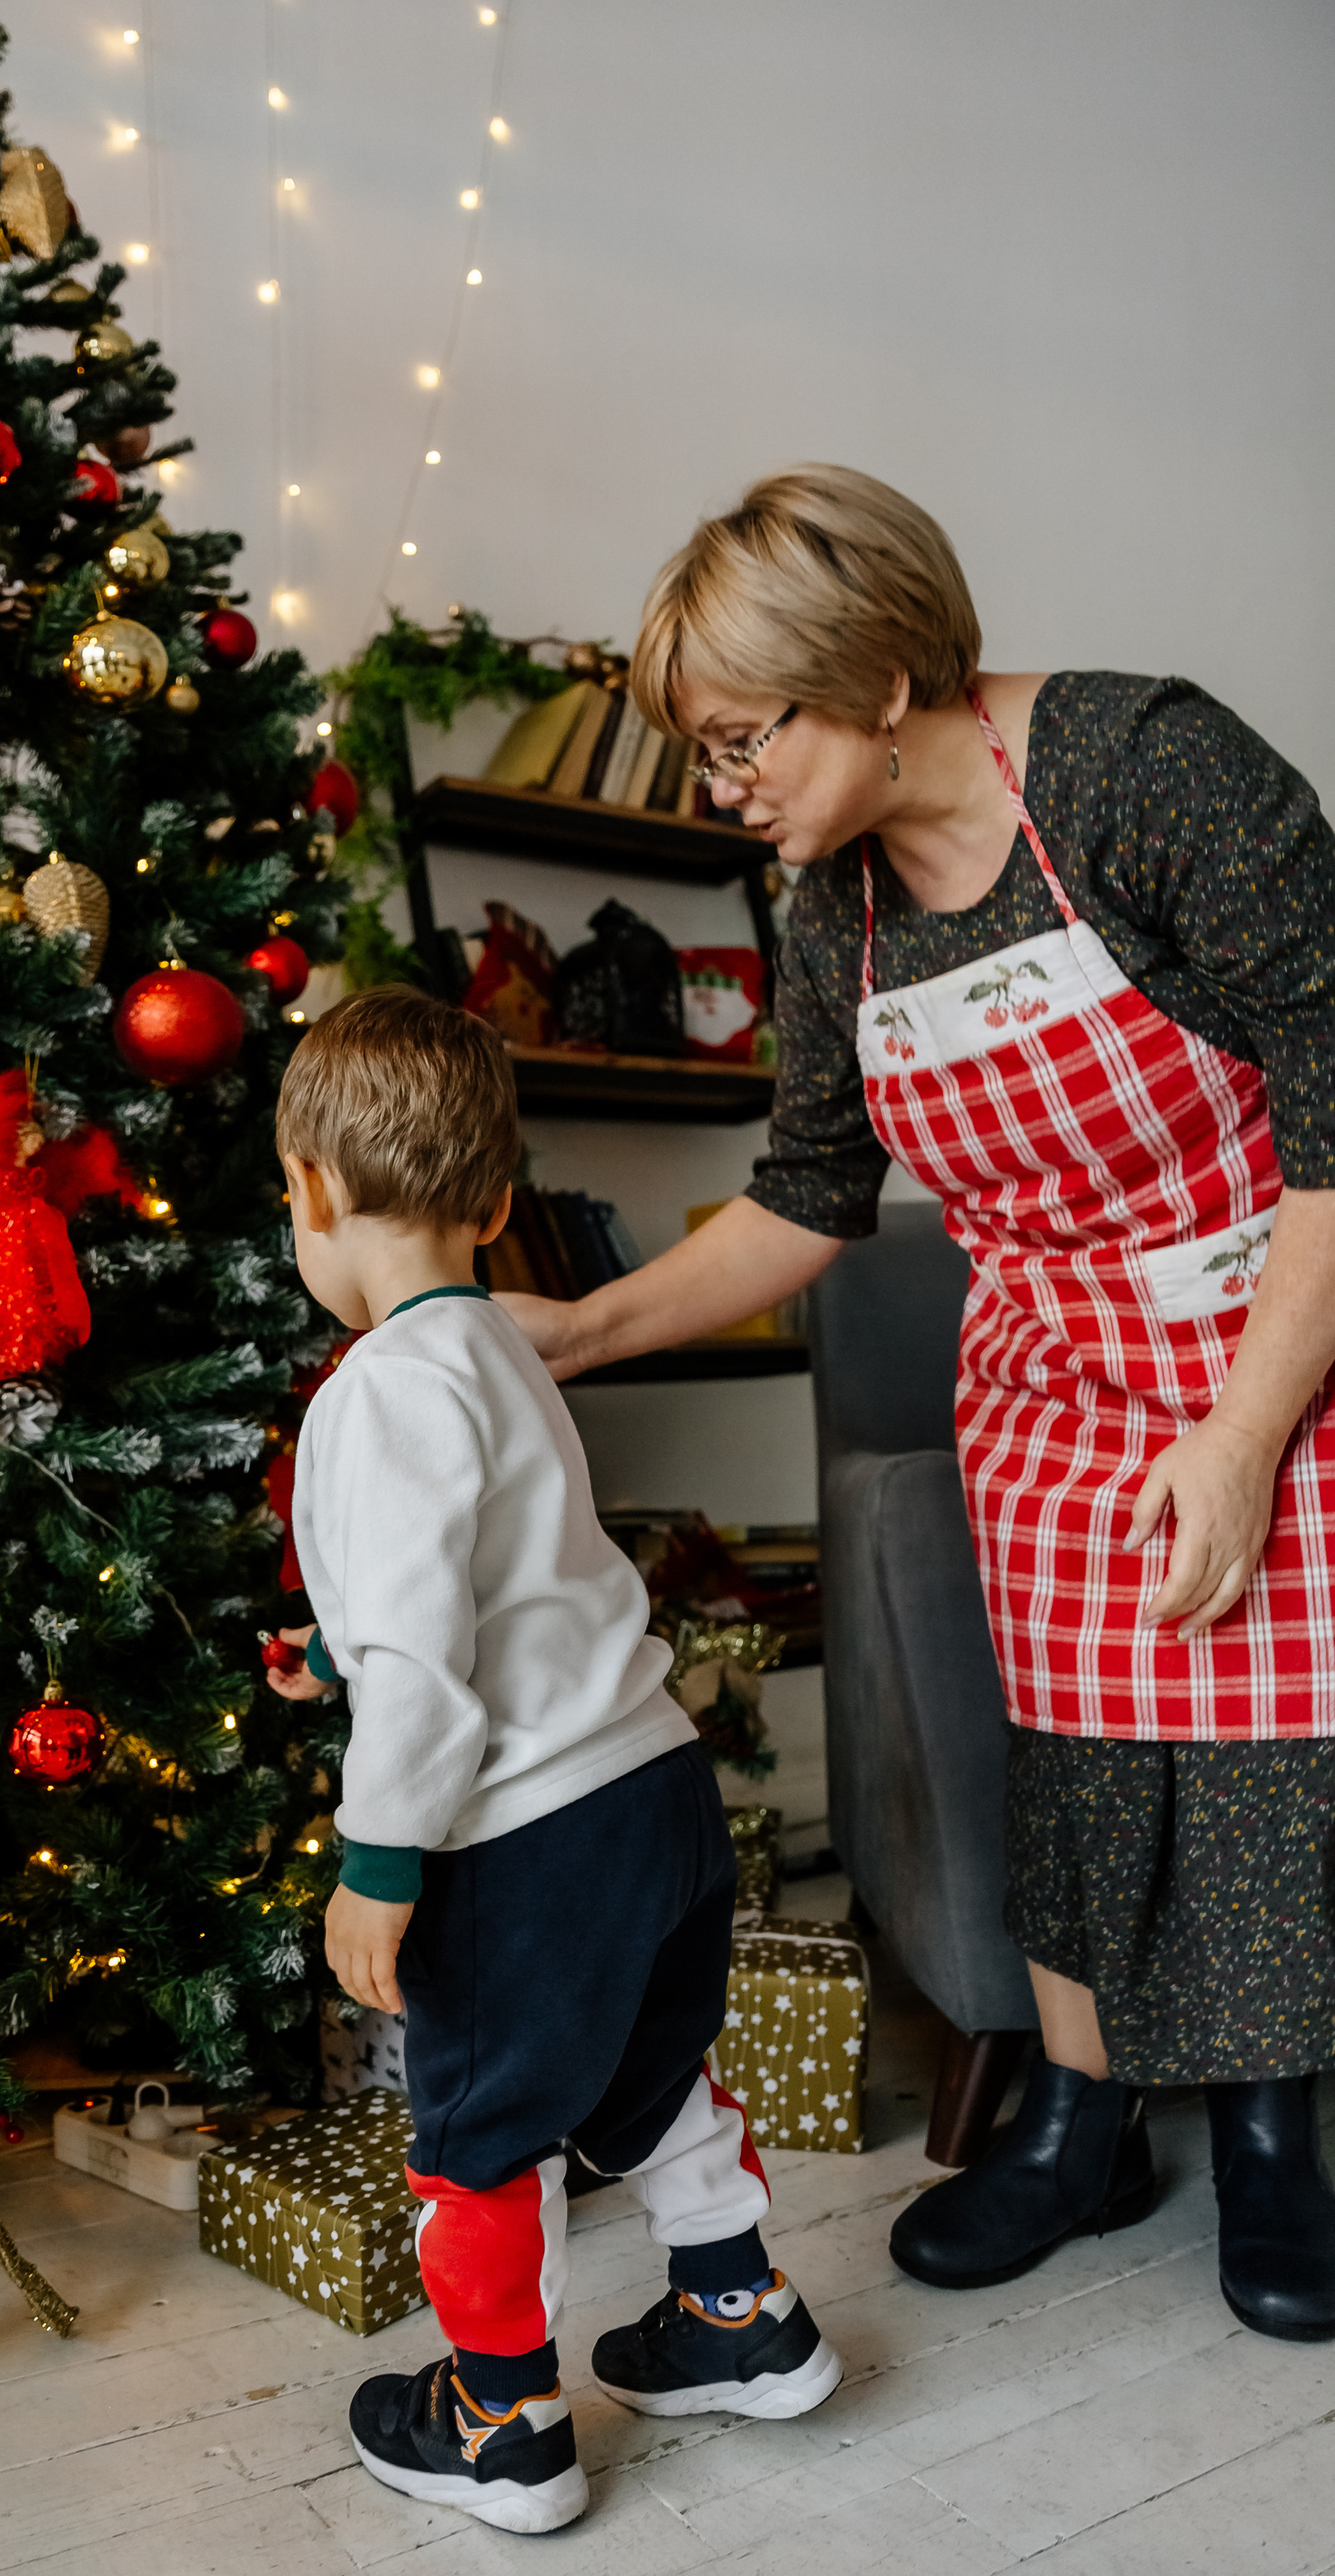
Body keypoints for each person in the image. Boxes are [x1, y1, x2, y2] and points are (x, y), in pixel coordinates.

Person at [500, 464, 1335, 2341]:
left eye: (744, 739)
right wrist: (579, 1328)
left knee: (1277, 1744)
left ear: (880, 679)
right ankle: (1078, 2123)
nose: (728, 788)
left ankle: (1278, 2146)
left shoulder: (1144, 770)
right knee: (1070, 1752)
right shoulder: (829, 907)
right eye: (707, 754)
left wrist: (1248, 1429)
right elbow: (807, 1191)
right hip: (1047, 1367)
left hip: (1280, 1319)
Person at [265, 987, 842, 2537]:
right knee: (655, 2079)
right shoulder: (509, 1351)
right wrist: (341, 1652)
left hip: (519, 1839)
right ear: (499, 1202)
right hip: (653, 1786)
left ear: (310, 1196)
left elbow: (424, 1673)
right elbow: (496, 1578)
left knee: (481, 2130)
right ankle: (740, 2318)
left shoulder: (374, 1390)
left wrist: (375, 1868)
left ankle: (502, 2422)